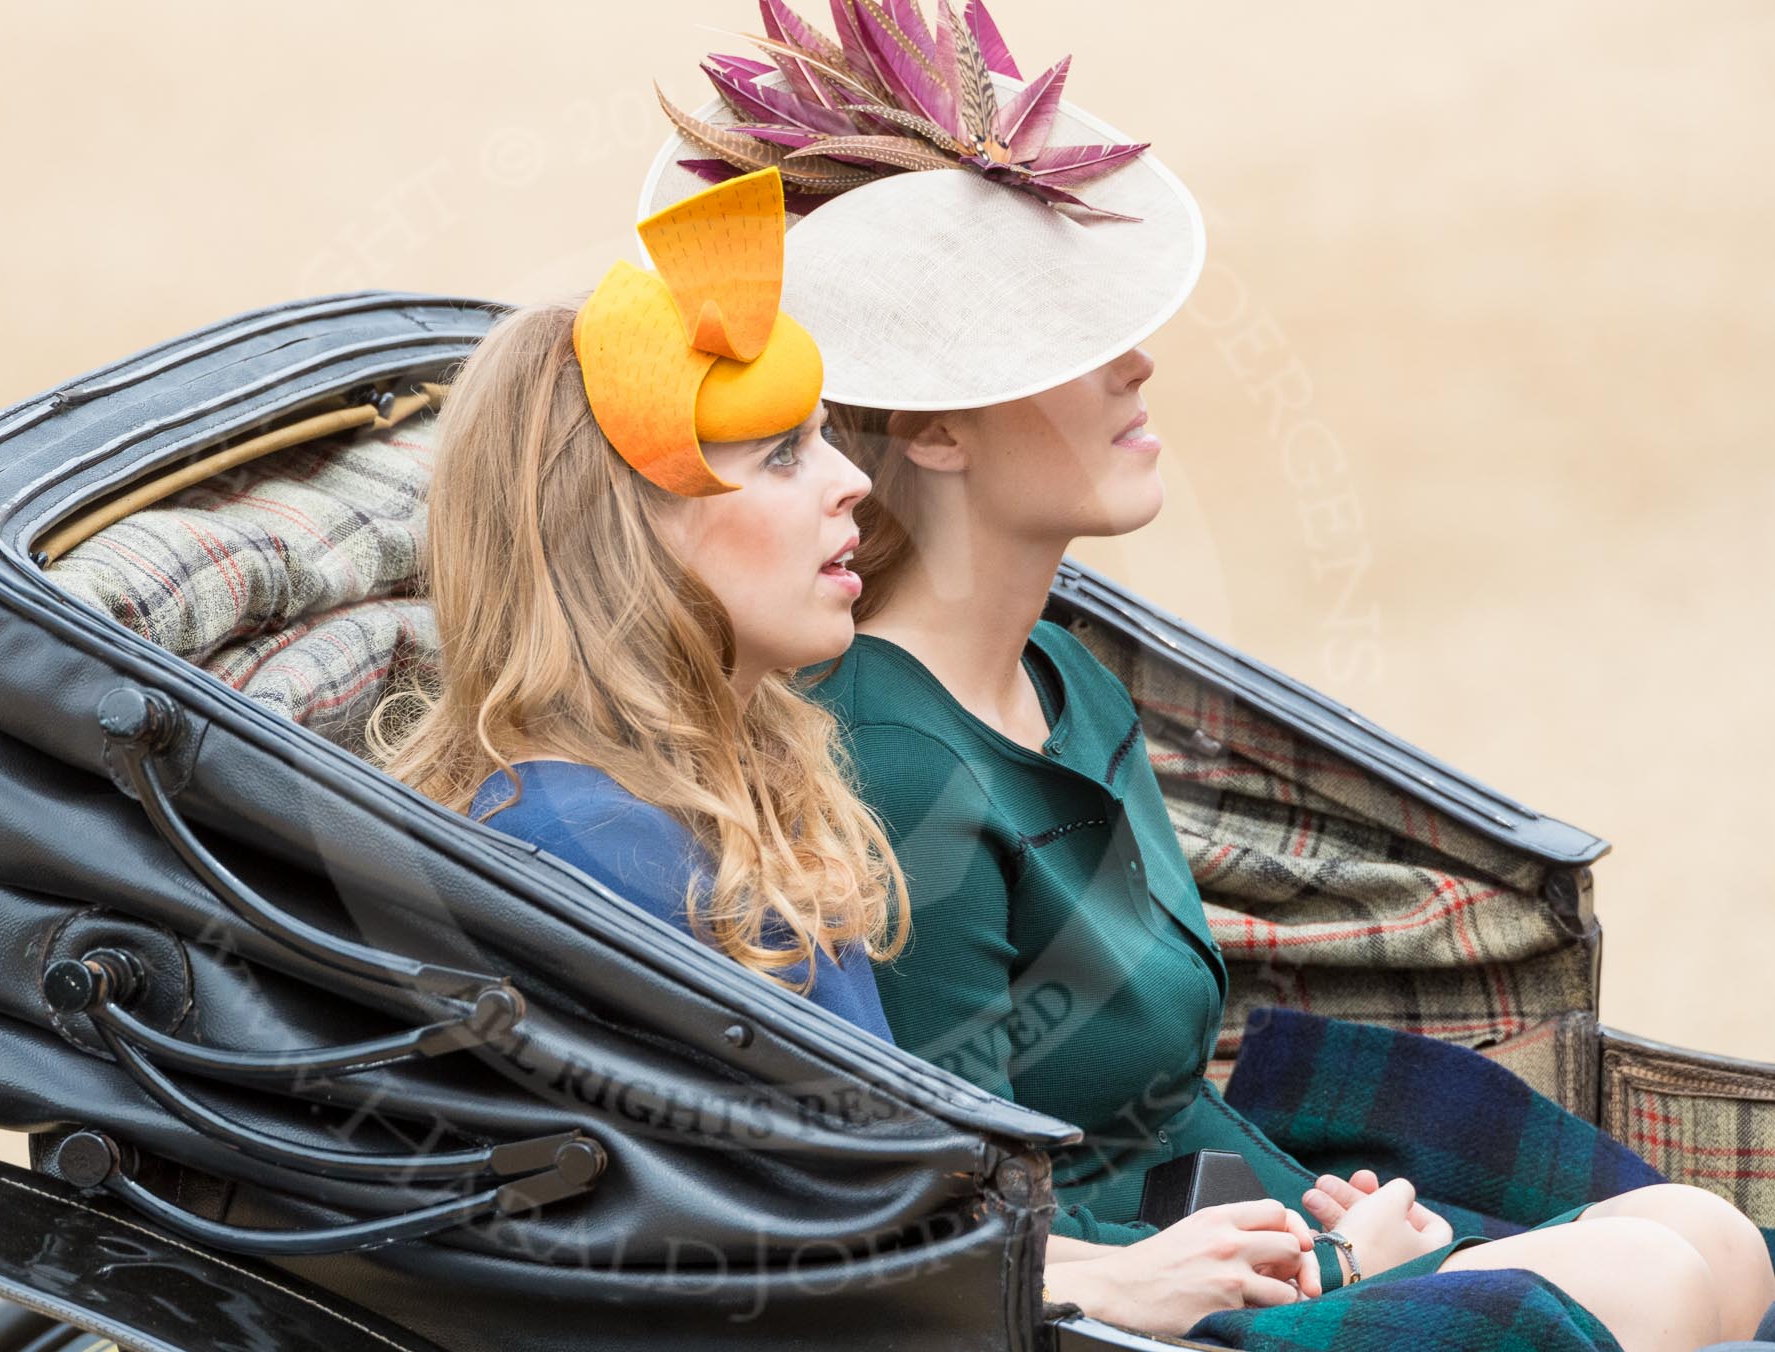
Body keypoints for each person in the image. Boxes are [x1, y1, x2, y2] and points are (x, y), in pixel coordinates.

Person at [636, 4, 1775, 1348]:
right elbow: (972, 1230)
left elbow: (1153, 1114)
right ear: (936, 430)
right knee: (1671, 1278)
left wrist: (1310, 1220)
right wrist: (1338, 1268)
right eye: (1062, 342)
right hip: (1139, 1310)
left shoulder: (1066, 675)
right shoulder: (888, 759)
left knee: (1708, 1239)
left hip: (1234, 1220)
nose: (1137, 361)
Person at [367, 165, 904, 1040]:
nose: (854, 481)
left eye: (827, 439)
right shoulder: (585, 846)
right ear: (619, 532)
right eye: (781, 454)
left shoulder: (725, 785)